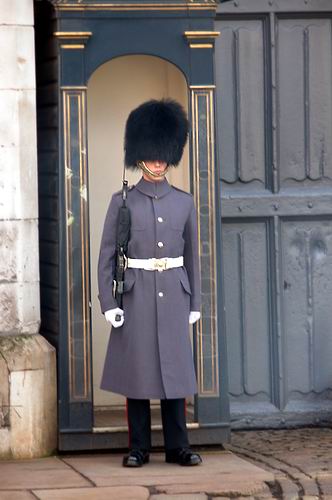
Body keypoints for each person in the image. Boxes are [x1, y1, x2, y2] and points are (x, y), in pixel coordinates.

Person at [97, 98, 202, 467]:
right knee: (138, 377)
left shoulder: (183, 203)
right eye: (153, 153)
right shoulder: (122, 202)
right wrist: (109, 305)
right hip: (137, 296)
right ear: (141, 154)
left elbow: (192, 258)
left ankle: (178, 447)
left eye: (163, 154)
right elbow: (107, 255)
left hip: (174, 294)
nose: (158, 161)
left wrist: (195, 304)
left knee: (174, 374)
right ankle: (138, 447)